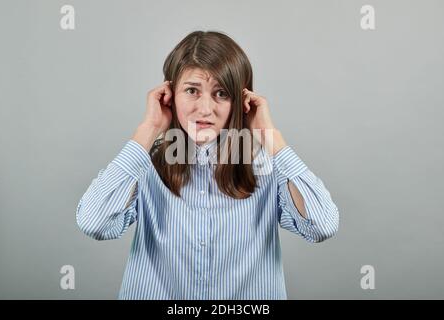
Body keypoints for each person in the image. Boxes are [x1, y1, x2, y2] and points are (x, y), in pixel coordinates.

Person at [76, 30, 339, 299]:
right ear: (169, 94)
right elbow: (95, 222)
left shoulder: (266, 165)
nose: (205, 109)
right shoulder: (144, 164)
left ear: (241, 101)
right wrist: (149, 128)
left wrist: (271, 136)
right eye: (191, 91)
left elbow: (322, 226)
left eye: (221, 94)